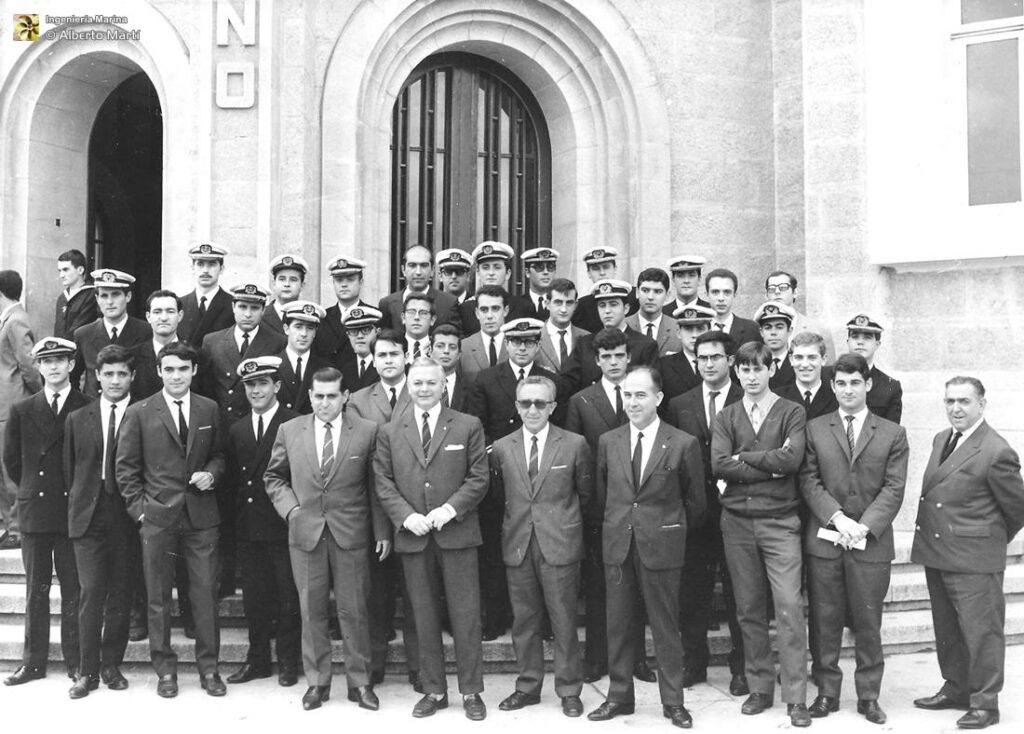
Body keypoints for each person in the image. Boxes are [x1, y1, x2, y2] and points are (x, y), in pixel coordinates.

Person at [586, 366, 706, 729]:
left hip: (662, 546)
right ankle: (619, 697)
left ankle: (673, 702)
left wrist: (666, 529)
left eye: (640, 394)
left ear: (658, 398)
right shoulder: (609, 441)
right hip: (619, 545)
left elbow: (696, 504)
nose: (633, 402)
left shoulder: (682, 443)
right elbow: (604, 496)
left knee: (666, 626)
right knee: (619, 625)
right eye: (627, 394)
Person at [265, 366, 389, 712]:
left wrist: (381, 531)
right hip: (306, 534)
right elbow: (274, 477)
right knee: (311, 611)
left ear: (345, 396)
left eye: (331, 396)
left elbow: (377, 486)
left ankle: (360, 682)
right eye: (318, 396)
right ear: (310, 397)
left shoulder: (366, 431)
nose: (324, 403)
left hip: (351, 533)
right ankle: (318, 682)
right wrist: (291, 511)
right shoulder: (290, 430)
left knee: (355, 611)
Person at [373, 358, 490, 721]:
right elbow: (383, 482)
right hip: (415, 536)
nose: (424, 389)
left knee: (465, 616)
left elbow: (478, 477)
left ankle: (471, 691)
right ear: (409, 385)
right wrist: (407, 517)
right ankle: (434, 690)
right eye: (418, 383)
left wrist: (449, 510)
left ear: (444, 385)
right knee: (422, 616)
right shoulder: (391, 430)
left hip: (456, 533)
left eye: (431, 383)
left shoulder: (468, 425)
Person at [799, 353, 908, 725]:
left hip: (870, 543)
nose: (848, 390)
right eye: (841, 383)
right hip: (827, 541)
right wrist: (838, 518)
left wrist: (863, 525)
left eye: (855, 382)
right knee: (825, 620)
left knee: (868, 621)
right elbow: (808, 480)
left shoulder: (892, 432)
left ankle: (869, 696)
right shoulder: (815, 428)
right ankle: (827, 692)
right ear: (832, 386)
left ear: (868, 384)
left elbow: (894, 487)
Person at [911, 376, 1024, 730]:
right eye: (949, 402)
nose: (956, 408)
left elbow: (1017, 508)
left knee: (981, 632)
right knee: (947, 629)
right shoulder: (942, 438)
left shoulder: (995, 449)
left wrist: (985, 540)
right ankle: (957, 688)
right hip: (939, 551)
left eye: (964, 401)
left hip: (973, 557)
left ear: (982, 405)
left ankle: (986, 704)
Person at [115, 342, 227, 699]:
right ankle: (165, 670)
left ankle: (209, 670)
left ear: (194, 371)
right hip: (158, 517)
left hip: (201, 516)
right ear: (159, 372)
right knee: (158, 597)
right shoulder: (140, 412)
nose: (176, 375)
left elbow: (221, 454)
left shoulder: (209, 408)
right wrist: (141, 511)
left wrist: (212, 473)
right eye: (169, 369)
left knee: (205, 595)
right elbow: (126, 470)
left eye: (183, 369)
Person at [711, 341, 810, 726]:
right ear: (736, 372)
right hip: (736, 521)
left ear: (771, 370)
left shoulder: (791, 411)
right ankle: (760, 687)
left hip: (780, 522)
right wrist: (768, 465)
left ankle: (796, 697)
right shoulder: (727, 415)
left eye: (758, 369)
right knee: (748, 608)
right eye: (744, 370)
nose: (751, 377)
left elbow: (792, 460)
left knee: (788, 606)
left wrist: (745, 459)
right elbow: (719, 465)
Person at [489, 375, 592, 717]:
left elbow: (587, 495)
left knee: (563, 619)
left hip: (559, 543)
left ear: (552, 407)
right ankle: (528, 685)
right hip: (518, 543)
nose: (532, 410)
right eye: (525, 403)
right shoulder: (502, 447)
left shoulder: (574, 444)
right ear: (516, 406)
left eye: (540, 403)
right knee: (525, 620)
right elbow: (500, 498)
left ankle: (569, 689)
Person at [564, 327, 655, 685]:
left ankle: (636, 660)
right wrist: (587, 508)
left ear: (628, 356)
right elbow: (575, 456)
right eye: (607, 357)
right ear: (597, 360)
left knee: (635, 587)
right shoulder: (581, 401)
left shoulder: (641, 396)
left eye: (620, 355)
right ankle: (598, 657)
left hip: (638, 506)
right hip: (599, 509)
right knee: (601, 587)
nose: (614, 362)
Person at [465, 318, 562, 641]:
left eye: (529, 342)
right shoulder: (487, 378)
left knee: (541, 547)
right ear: (506, 344)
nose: (522, 348)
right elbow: (478, 426)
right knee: (497, 546)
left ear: (538, 345)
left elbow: (559, 429)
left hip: (541, 472)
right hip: (500, 472)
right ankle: (496, 616)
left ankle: (545, 620)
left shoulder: (551, 380)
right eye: (516, 342)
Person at [664, 330, 747, 696]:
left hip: (738, 510)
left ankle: (741, 666)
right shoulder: (681, 403)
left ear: (730, 361)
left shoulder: (748, 398)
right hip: (695, 513)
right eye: (702, 358)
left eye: (715, 357)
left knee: (739, 591)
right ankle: (693, 662)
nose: (708, 364)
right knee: (692, 592)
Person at [2, 337, 86, 686]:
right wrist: (26, 493)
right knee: (36, 588)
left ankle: (75, 660)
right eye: (46, 361)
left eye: (61, 360)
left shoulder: (87, 406)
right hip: (35, 509)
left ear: (71, 365)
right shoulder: (23, 409)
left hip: (71, 510)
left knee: (73, 588)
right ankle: (33, 662)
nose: (53, 367)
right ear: (37, 366)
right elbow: (12, 460)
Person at [200, 283, 286, 598]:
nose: (247, 313)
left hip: (259, 434)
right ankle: (225, 577)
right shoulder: (212, 341)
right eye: (242, 306)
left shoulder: (276, 341)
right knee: (226, 503)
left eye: (254, 307)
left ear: (263, 310)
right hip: (225, 435)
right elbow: (208, 389)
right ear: (233, 308)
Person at [346, 329, 418, 690]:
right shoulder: (359, 399)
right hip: (376, 505)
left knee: (418, 594)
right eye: (382, 355)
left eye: (394, 354)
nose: (388, 361)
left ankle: (420, 667)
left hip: (418, 506)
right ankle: (373, 665)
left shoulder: (421, 388)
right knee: (375, 595)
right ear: (372, 360)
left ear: (406, 356)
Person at [224, 356, 301, 688]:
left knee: (288, 597)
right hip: (249, 528)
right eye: (250, 385)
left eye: (262, 384)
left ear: (277, 387)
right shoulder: (237, 428)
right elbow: (232, 485)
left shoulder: (295, 423)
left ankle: (287, 661)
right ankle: (257, 661)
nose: (256, 390)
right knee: (255, 599)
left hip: (284, 525)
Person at [64, 344, 135, 698]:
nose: (115, 380)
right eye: (108, 374)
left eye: (122, 373)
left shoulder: (142, 414)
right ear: (97, 377)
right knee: (91, 592)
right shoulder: (79, 417)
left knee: (120, 593)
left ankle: (111, 665)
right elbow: (69, 471)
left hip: (125, 517)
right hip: (88, 517)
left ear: (132, 377)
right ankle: (86, 671)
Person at [0, 270, 41, 549]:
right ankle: (8, 525)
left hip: (12, 405)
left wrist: (39, 398)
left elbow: (29, 365)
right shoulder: (8, 319)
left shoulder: (15, 321)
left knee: (10, 466)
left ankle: (15, 528)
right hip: (4, 404)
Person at [562, 279, 658, 392]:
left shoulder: (645, 345)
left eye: (613, 304)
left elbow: (652, 388)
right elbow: (568, 383)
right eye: (602, 305)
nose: (607, 311)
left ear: (626, 308)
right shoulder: (585, 344)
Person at [71, 269, 151, 397]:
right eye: (104, 296)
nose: (109, 302)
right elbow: (72, 378)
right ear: (97, 299)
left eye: (115, 295)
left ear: (128, 296)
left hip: (133, 412)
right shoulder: (84, 334)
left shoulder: (146, 332)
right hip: (95, 411)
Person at [378, 245, 461, 334]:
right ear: (403, 270)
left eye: (424, 266)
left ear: (432, 270)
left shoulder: (448, 303)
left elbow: (457, 339)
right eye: (412, 265)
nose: (418, 272)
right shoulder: (387, 303)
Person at [458, 241, 534, 335]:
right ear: (478, 273)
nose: (491, 273)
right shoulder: (466, 309)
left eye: (497, 267)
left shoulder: (524, 307)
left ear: (507, 273)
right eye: (485, 268)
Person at [314, 255, 373, 369]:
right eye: (339, 280)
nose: (344, 284)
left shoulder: (373, 317)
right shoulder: (322, 318)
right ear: (333, 283)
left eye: (350, 279)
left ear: (361, 282)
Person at [764, 271, 836, 360]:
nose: (777, 292)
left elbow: (828, 368)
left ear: (795, 293)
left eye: (783, 287)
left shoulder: (818, 329)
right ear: (766, 296)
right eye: (771, 289)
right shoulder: (756, 330)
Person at [845, 314, 902, 424]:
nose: (860, 342)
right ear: (848, 342)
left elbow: (891, 432)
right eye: (855, 336)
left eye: (867, 337)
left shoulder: (890, 386)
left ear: (877, 344)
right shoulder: (830, 378)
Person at [275, 301, 329, 414]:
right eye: (298, 327)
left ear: (315, 333)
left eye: (310, 328)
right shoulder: (272, 365)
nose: (304, 333)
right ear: (286, 329)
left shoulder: (326, 368)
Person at [178, 243, 234, 347]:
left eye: (212, 264)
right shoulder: (179, 304)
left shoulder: (232, 304)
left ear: (221, 269)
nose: (205, 270)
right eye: (200, 264)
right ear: (192, 268)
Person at [777, 332, 838, 420]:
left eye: (812, 357)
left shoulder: (836, 397)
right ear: (791, 360)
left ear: (823, 359)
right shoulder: (777, 398)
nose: (805, 364)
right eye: (799, 357)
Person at [659, 304, 714, 401]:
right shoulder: (663, 366)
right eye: (688, 329)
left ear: (710, 332)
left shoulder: (720, 364)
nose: (694, 335)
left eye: (700, 329)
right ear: (678, 333)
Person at [534, 278, 588, 375]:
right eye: (558, 302)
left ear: (575, 305)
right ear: (547, 304)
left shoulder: (586, 338)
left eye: (569, 303)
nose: (563, 309)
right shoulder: (534, 338)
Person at [627, 267, 683, 356]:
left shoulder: (678, 330)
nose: (650, 297)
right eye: (645, 290)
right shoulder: (624, 326)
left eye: (657, 291)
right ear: (637, 292)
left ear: (667, 295)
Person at [459, 285, 509, 383]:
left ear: (506, 311)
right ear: (477, 313)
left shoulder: (517, 345)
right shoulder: (463, 348)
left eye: (495, 308)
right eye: (484, 310)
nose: (489, 316)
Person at [704, 268, 761, 348]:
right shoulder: (699, 328)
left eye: (727, 292)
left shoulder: (752, 329)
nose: (721, 298)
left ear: (735, 294)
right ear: (707, 294)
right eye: (715, 292)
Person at [54, 249, 98, 340]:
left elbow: (80, 329)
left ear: (80, 270)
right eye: (60, 271)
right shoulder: (62, 298)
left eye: (66, 270)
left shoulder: (91, 295)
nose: (61, 275)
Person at [262, 254, 310, 336]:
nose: (287, 284)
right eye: (282, 279)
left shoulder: (309, 317)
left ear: (302, 285)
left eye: (293, 280)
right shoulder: (260, 316)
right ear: (274, 284)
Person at [752, 301, 796, 389]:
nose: (773, 333)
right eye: (767, 328)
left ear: (790, 331)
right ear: (761, 332)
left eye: (779, 327)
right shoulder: (753, 363)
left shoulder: (797, 362)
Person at [339, 305, 382, 393]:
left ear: (377, 332)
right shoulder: (341, 367)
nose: (360, 336)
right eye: (354, 331)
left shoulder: (385, 364)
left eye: (366, 330)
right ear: (348, 335)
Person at [430, 323, 472, 411]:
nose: (446, 351)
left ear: (459, 355)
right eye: (440, 346)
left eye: (452, 347)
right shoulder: (418, 384)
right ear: (430, 352)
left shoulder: (472, 386)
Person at [520, 247, 560, 321]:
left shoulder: (560, 305)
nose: (546, 272)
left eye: (550, 267)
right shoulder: (517, 305)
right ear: (527, 272)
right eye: (539, 267)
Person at [402, 292, 435, 361]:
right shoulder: (393, 348)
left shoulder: (437, 349)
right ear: (403, 318)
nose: (416, 317)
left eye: (423, 313)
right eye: (411, 312)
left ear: (432, 319)